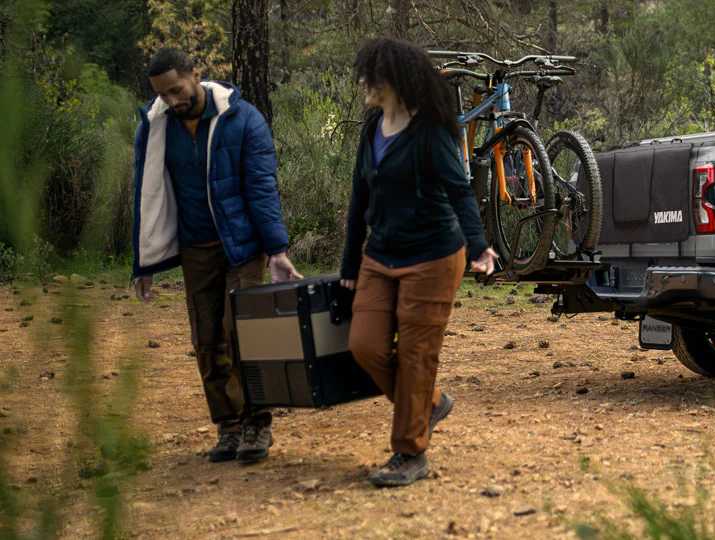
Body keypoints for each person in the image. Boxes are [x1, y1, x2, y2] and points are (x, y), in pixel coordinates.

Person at [341, 37, 500, 487]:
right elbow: (359, 197)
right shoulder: (372, 124)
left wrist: (478, 245)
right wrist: (350, 264)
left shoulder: (430, 129)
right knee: (365, 346)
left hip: (432, 256)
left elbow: (458, 191)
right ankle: (428, 402)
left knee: (415, 355)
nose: (363, 83)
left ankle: (410, 453)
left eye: (370, 76)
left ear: (393, 80)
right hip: (381, 254)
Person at [132, 49, 303, 463]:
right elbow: (147, 194)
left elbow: (262, 190)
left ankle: (258, 423)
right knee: (206, 339)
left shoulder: (243, 120)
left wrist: (276, 250)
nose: (171, 101)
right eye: (162, 95)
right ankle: (228, 426)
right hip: (196, 248)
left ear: (196, 74)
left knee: (243, 330)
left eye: (176, 90)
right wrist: (145, 261)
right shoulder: (156, 127)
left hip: (243, 247)